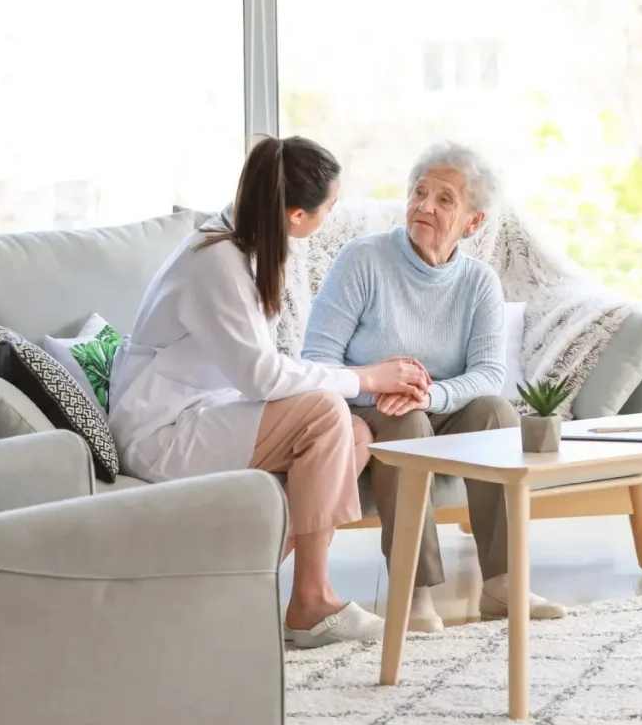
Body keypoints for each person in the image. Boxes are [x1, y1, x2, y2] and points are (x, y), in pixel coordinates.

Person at [108, 135, 430, 649]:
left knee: (353, 433)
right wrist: (366, 377)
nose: (330, 216)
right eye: (329, 207)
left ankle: (235, 585)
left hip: (200, 415)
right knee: (328, 413)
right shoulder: (214, 263)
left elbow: (262, 371)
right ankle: (311, 602)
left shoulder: (238, 247)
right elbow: (262, 378)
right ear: (297, 215)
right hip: (161, 434)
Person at [301, 141, 567, 632]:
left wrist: (430, 395)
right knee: (405, 419)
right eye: (419, 192)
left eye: (445, 199)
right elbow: (316, 362)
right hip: (367, 408)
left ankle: (502, 583)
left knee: (495, 414)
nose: (424, 205)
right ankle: (415, 591)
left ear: (473, 221)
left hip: (437, 406)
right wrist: (381, 389)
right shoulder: (363, 260)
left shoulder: (479, 282)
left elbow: (488, 373)